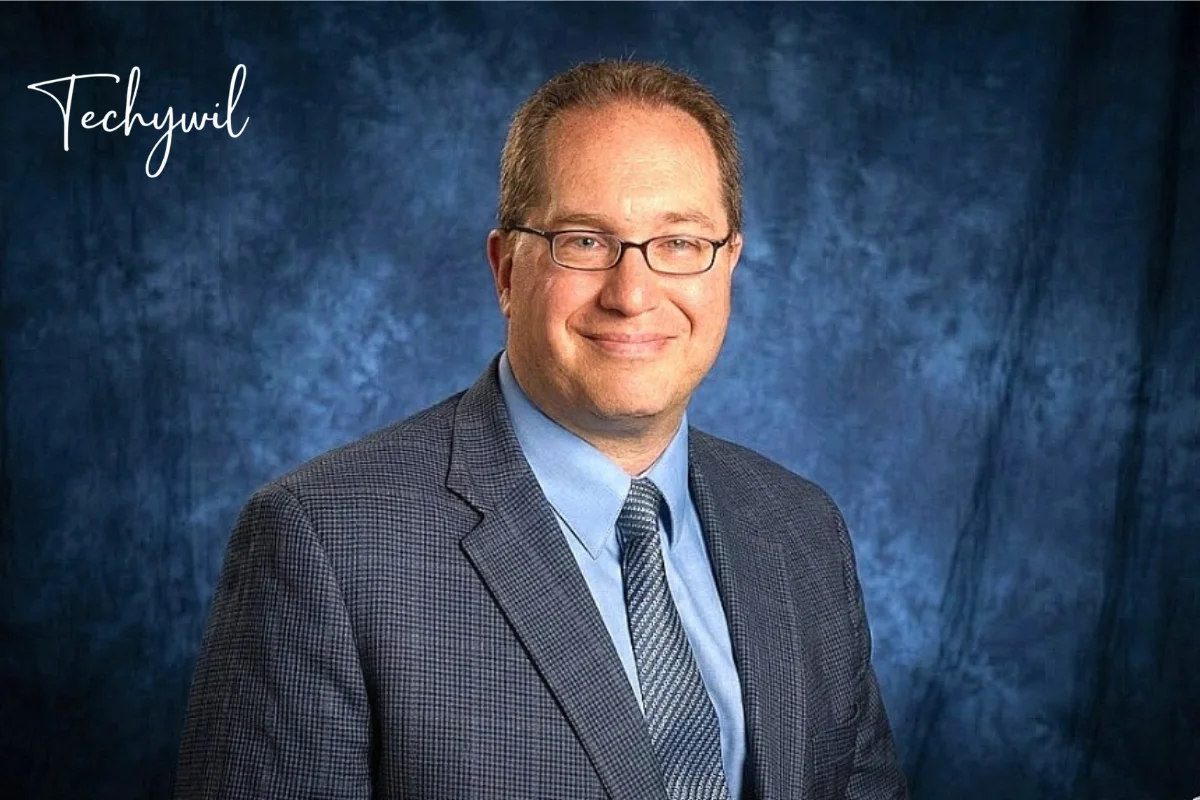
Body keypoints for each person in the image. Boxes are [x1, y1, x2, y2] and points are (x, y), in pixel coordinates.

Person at [174, 58, 908, 800]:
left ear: (728, 266)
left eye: (679, 242)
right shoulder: (325, 543)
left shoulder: (801, 530)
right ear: (505, 271)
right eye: (584, 241)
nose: (632, 292)